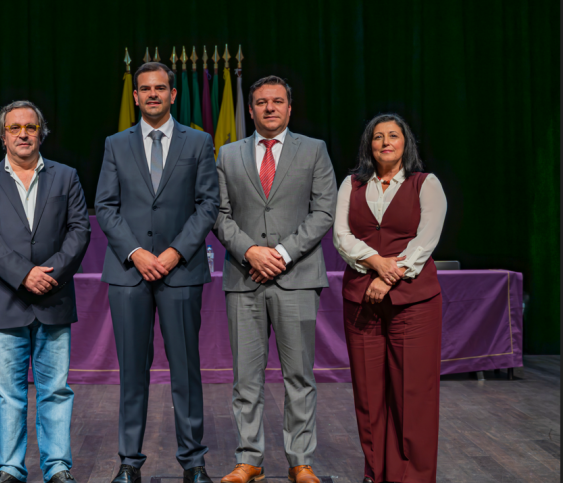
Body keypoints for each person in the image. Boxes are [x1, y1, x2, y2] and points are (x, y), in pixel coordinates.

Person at [95, 62, 219, 483]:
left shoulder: (199, 142)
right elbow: (105, 206)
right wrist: (136, 253)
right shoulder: (115, 144)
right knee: (132, 371)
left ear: (173, 94)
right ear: (135, 96)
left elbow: (208, 205)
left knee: (186, 370)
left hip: (180, 272)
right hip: (129, 273)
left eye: (160, 88)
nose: (152, 94)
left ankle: (194, 461)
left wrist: (174, 253)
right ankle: (129, 462)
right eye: (145, 89)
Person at [214, 76, 337, 483]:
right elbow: (219, 213)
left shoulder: (314, 150)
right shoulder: (228, 154)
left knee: (299, 376)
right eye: (262, 102)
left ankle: (300, 461)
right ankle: (249, 459)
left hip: (297, 278)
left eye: (278, 101)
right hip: (243, 277)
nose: (270, 108)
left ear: (289, 108)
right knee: (245, 379)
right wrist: (251, 251)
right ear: (250, 110)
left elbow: (324, 211)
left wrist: (281, 254)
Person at [0, 100, 90, 483]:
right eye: (15, 128)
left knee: (55, 389)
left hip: (54, 296)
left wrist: (48, 275)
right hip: (7, 300)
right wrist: (24, 275)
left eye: (30, 127)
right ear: (2, 136)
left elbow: (79, 231)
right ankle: (10, 468)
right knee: (8, 392)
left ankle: (58, 467)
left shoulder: (66, 176)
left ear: (42, 133)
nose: (23, 134)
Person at [333, 113, 447, 483]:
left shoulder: (425, 184)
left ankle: (412, 476)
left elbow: (426, 239)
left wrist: (389, 275)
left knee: (412, 393)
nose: (386, 142)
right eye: (378, 136)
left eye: (393, 135)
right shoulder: (351, 184)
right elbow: (341, 236)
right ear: (369, 145)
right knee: (369, 395)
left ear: (405, 142)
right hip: (361, 300)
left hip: (414, 302)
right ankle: (376, 472)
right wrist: (376, 263)